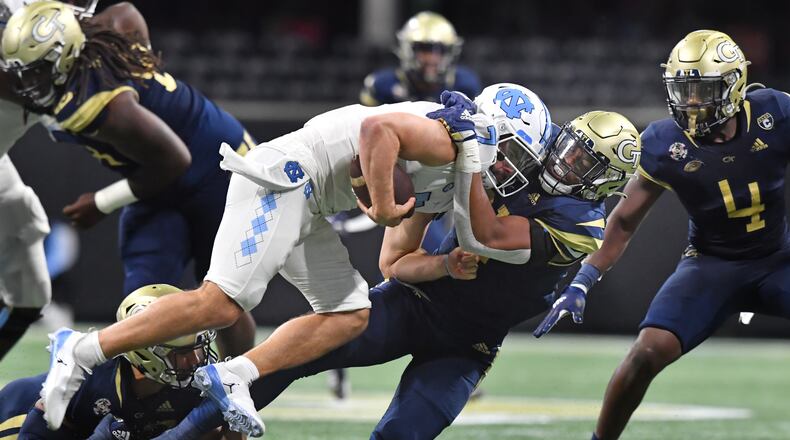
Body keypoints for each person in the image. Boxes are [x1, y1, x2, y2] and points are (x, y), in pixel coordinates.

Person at [38, 82, 551, 435]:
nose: (508, 168)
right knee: (223, 304)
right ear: (490, 129)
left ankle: (237, 373)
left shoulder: (461, 179)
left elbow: (393, 262)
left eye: (519, 161)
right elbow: (377, 132)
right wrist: (385, 206)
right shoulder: (449, 137)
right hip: (285, 178)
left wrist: (438, 261)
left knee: (351, 312)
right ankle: (81, 350)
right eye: (509, 151)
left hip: (310, 203)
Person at [155, 106, 642, 439]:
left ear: (607, 180)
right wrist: (441, 250)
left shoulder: (583, 227)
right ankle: (175, 432)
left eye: (583, 162)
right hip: (413, 301)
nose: (565, 162)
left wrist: (470, 155)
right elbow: (398, 256)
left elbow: (488, 235)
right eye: (569, 148)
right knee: (285, 360)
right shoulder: (523, 155)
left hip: (467, 345)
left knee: (401, 434)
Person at [533, 30, 790, 440]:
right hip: (712, 265)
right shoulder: (663, 142)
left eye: (700, 90)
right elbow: (623, 220)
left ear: (734, 85)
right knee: (646, 353)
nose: (690, 102)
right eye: (682, 89)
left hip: (778, 259)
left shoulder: (775, 113)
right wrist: (585, 277)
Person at [0, 1, 257, 358]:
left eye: (37, 70)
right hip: (154, 181)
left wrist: (100, 203)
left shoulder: (100, 104)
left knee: (221, 298)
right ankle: (160, 396)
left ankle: (238, 387)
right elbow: (124, 13)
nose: (29, 81)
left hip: (220, 170)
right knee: (142, 302)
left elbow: (174, 160)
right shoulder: (88, 46)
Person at [0, 284, 243, 439]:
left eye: (198, 349)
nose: (195, 361)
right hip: (21, 412)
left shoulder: (196, 382)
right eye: (183, 353)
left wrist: (235, 419)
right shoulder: (92, 378)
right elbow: (34, 434)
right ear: (146, 353)